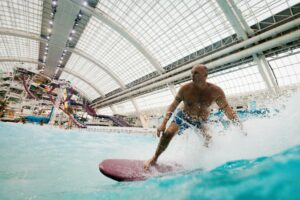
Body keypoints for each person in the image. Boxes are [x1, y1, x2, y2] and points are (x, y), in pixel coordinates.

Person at [144, 64, 244, 170]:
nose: (192, 75)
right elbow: (173, 106)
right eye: (191, 73)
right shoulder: (185, 89)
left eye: (196, 73)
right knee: (168, 133)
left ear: (205, 75)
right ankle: (154, 158)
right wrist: (163, 123)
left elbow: (227, 109)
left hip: (200, 121)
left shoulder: (216, 91)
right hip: (183, 116)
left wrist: (239, 125)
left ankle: (201, 160)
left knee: (209, 140)